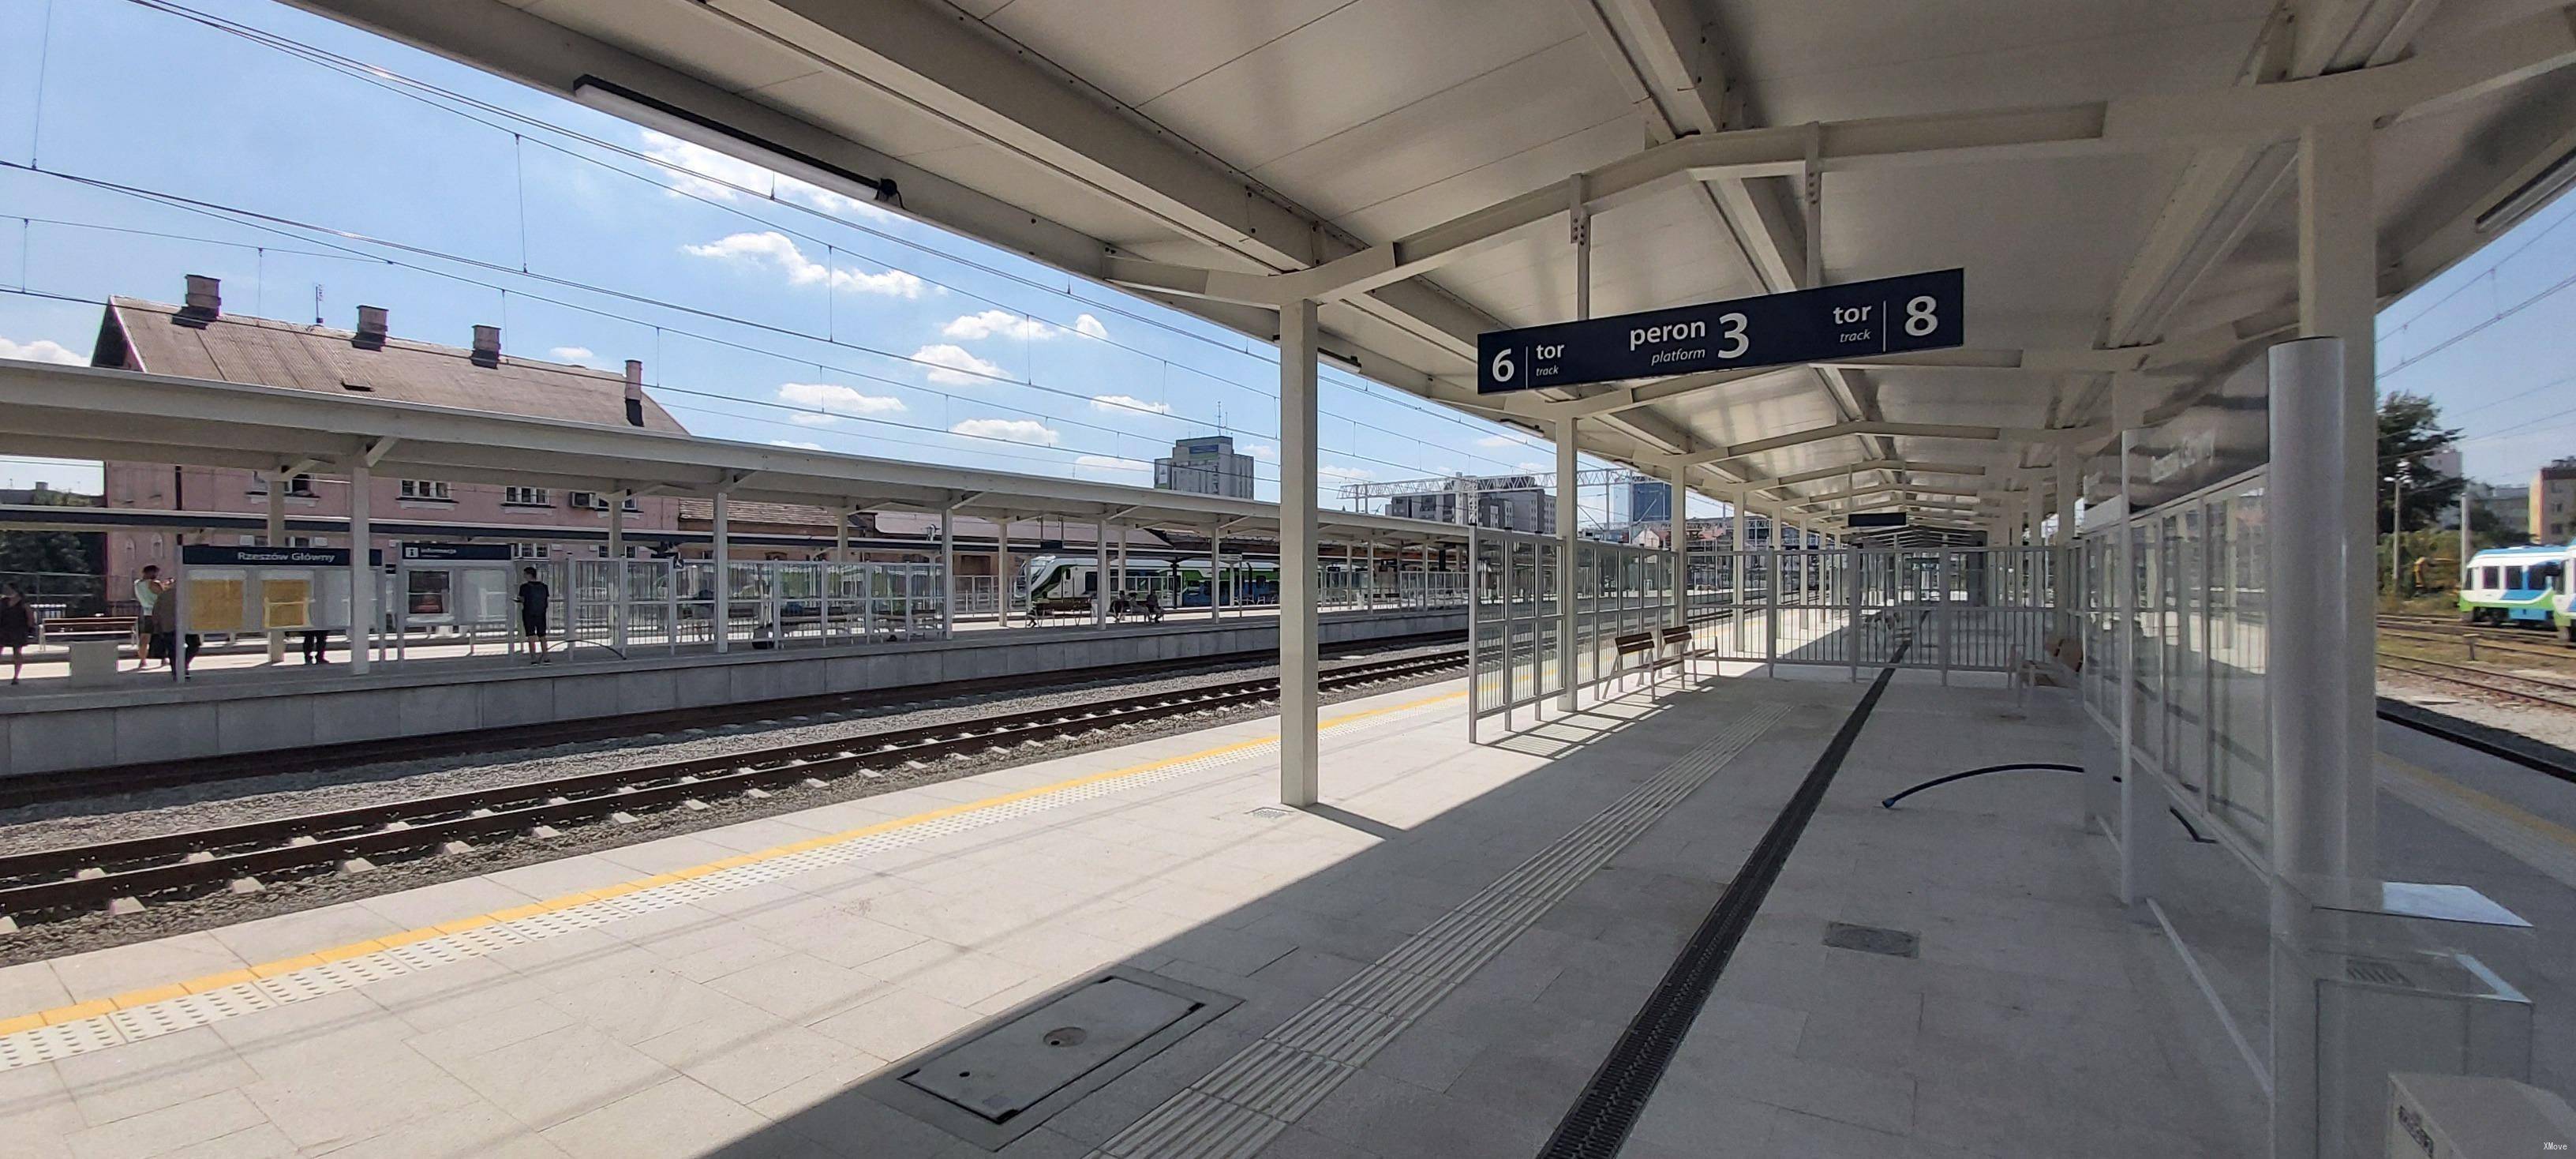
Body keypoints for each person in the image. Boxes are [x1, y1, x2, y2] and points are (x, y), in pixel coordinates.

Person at [132, 565, 166, 670]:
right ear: (152, 573)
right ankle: (164, 658)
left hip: (146, 612)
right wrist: (165, 585)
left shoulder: (137, 584)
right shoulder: (153, 583)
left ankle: (142, 660)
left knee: (144, 637)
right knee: (164, 636)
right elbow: (163, 594)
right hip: (158, 612)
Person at [515, 567, 552, 664]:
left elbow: (522, 599)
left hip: (528, 614)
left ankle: (534, 659)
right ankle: (546, 657)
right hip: (541, 613)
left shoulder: (524, 587)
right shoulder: (544, 586)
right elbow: (546, 601)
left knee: (531, 637)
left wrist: (519, 600)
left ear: (528, 575)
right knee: (542, 636)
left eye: (525, 574)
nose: (524, 576)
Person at [0, 585, 32, 685]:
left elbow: (30, 616)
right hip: (3, 629)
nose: (6, 590)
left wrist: (29, 629)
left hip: (18, 630)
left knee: (17, 653)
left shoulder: (23, 602)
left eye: (9, 589)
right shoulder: (3, 601)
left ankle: (16, 676)